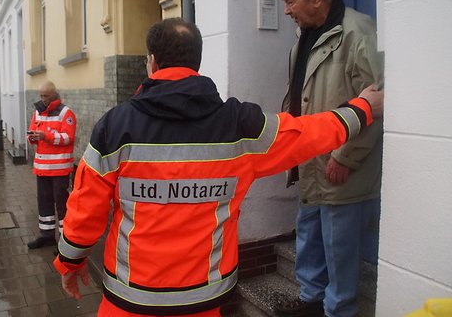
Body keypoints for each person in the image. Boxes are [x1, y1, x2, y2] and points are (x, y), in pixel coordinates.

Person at [52, 17, 383, 317]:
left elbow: (85, 206)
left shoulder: (115, 127)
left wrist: (70, 260)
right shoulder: (240, 125)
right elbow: (308, 133)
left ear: (151, 62)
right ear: (197, 62)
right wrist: (363, 108)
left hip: (130, 299)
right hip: (204, 300)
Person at [275, 0, 383, 317]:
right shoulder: (305, 34)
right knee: (309, 234)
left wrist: (346, 156)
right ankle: (311, 300)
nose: (287, 10)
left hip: (339, 162)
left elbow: (376, 100)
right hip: (310, 155)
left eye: (290, 2)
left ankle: (339, 310)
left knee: (339, 247)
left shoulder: (357, 31)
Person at [26, 81, 76, 249]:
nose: (43, 99)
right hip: (42, 168)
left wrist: (45, 136)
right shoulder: (38, 112)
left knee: (62, 204)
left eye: (46, 96)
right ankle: (47, 235)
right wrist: (32, 138)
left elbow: (68, 138)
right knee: (44, 202)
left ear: (54, 94)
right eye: (41, 96)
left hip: (60, 169)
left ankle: (65, 240)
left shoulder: (66, 113)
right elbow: (32, 131)